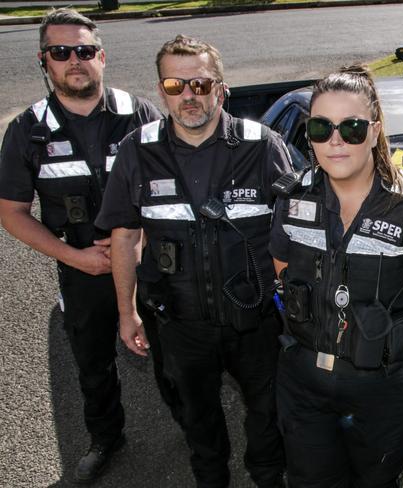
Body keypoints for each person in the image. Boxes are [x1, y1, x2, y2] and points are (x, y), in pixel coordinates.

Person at [95, 35, 290, 488]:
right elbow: (123, 236)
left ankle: (267, 477)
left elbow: (298, 233)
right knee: (196, 419)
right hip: (181, 326)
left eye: (201, 84)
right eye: (175, 84)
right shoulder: (136, 150)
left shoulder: (263, 145)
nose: (188, 96)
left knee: (268, 415)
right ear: (161, 90)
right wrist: (127, 313)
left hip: (257, 321)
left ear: (220, 89)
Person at [269, 65, 403, 488]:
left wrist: (393, 345)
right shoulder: (291, 196)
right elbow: (283, 272)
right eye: (321, 127)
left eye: (351, 128)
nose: (335, 140)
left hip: (387, 388)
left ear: (374, 131)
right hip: (305, 380)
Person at [0, 8, 162, 484]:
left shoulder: (140, 114)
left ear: (102, 57)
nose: (75, 60)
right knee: (93, 366)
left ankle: (197, 437)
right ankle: (106, 439)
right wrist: (74, 257)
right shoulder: (27, 130)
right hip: (81, 269)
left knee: (175, 357)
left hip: (149, 265)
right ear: (44, 61)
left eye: (85, 50)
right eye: (61, 51)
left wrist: (140, 243)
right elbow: (10, 212)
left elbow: (171, 188)